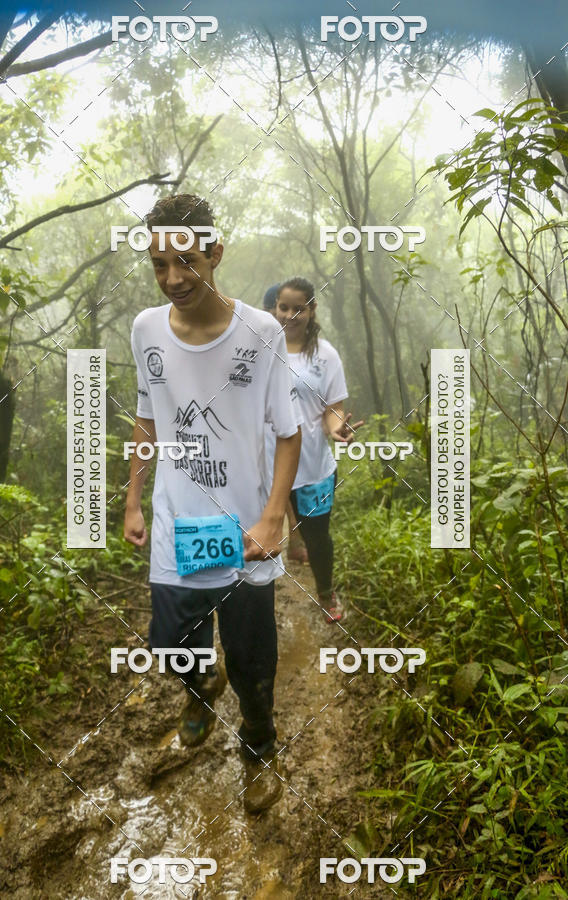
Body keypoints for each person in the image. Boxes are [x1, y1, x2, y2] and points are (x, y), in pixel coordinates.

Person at [124, 194, 301, 813]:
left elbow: (288, 433)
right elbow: (147, 419)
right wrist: (133, 500)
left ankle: (259, 746)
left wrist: (273, 518)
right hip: (177, 524)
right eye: (159, 265)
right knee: (173, 643)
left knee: (253, 657)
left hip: (244, 527)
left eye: (186, 262)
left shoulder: (262, 332)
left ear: (215, 253)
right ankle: (201, 686)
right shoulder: (146, 329)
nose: (173, 278)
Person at [267, 277, 363, 623]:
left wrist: (336, 428)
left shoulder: (326, 355)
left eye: (299, 309)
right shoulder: (259, 348)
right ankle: (257, 608)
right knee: (259, 537)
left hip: (312, 468)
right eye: (284, 307)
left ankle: (326, 594)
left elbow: (333, 407)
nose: (290, 315)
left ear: (312, 310)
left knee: (318, 537)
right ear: (275, 308)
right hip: (265, 466)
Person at [263, 282, 309, 565]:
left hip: (293, 424)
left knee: (291, 479)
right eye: (279, 309)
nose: (284, 316)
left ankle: (294, 535)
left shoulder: (298, 345)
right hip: (267, 427)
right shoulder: (262, 336)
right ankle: (290, 534)